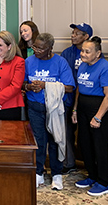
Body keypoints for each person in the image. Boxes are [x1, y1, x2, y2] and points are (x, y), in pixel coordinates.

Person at [24, 33, 75, 191]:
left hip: (55, 109)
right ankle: (38, 172)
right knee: (38, 142)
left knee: (55, 140)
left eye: (40, 48)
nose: (36, 50)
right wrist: (29, 87)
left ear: (50, 48)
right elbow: (21, 83)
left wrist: (46, 85)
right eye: (35, 47)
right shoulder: (29, 61)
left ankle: (56, 174)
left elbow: (69, 87)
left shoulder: (60, 62)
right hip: (35, 107)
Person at [72, 37, 108, 196]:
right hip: (82, 107)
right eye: (82, 50)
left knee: (99, 145)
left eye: (87, 51)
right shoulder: (83, 65)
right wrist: (75, 110)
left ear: (98, 53)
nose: (82, 53)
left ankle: (103, 182)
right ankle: (92, 175)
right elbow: (79, 88)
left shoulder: (106, 68)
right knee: (85, 144)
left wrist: (98, 117)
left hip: (98, 109)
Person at [60, 23, 93, 174]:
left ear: (86, 37)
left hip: (87, 99)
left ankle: (90, 165)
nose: (73, 35)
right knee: (66, 132)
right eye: (73, 33)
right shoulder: (67, 53)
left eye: (77, 33)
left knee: (87, 134)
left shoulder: (93, 54)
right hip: (68, 98)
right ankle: (69, 163)